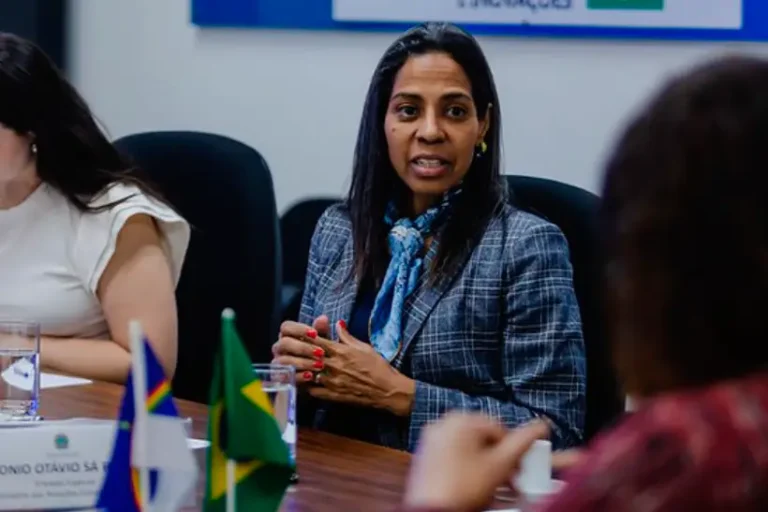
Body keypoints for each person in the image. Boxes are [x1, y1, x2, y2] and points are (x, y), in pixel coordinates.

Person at [403, 55, 768, 511]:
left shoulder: (685, 452)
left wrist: (438, 503)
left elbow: (550, 421)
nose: (430, 131)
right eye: (407, 110)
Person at [272, 22, 586, 452]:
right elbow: (305, 402)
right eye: (408, 110)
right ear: (382, 122)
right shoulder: (337, 230)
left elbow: (555, 429)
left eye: (455, 111)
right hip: (333, 477)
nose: (431, 131)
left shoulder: (526, 247)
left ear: (483, 126)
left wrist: (401, 395)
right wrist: (295, 375)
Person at [0, 33, 189, 383]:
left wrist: (17, 347)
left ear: (31, 131)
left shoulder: (113, 215)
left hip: (81, 417)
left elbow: (151, 363)